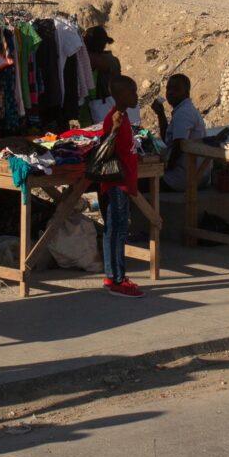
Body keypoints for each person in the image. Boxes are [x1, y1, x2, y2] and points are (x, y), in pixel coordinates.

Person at [90, 76, 143, 297]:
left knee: (116, 229)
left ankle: (114, 275)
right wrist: (113, 130)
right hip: (116, 184)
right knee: (117, 230)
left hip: (123, 183)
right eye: (132, 93)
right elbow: (106, 146)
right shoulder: (114, 119)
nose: (136, 96)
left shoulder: (124, 117)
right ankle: (116, 278)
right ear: (121, 96)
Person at [157, 72, 209, 193]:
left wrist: (166, 167)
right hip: (194, 175)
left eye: (176, 89)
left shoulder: (184, 112)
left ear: (186, 93)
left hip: (184, 177)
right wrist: (160, 114)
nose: (170, 92)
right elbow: (168, 139)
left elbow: (178, 145)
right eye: (168, 89)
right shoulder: (182, 110)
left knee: (139, 183)